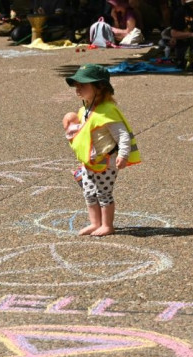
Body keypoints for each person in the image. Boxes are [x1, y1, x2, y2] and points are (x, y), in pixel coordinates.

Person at [64, 64, 141, 236]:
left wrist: (123, 155)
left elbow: (122, 135)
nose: (78, 89)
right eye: (76, 85)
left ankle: (107, 225)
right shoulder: (85, 109)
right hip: (90, 162)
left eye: (83, 85)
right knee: (89, 193)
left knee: (103, 193)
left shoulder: (107, 111)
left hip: (106, 162)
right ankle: (95, 223)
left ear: (99, 87)